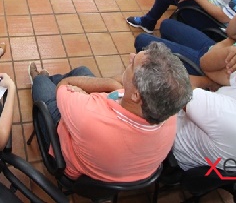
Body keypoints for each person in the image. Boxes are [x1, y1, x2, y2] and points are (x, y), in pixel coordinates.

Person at [29, 42, 192, 183]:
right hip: (120, 174)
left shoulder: (88, 114)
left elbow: (64, 85)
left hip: (75, 169)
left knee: (42, 84)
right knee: (83, 71)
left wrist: (107, 85)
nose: (131, 56)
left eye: (133, 64)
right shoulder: (169, 113)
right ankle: (50, 78)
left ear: (136, 95)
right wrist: (115, 87)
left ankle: (40, 78)